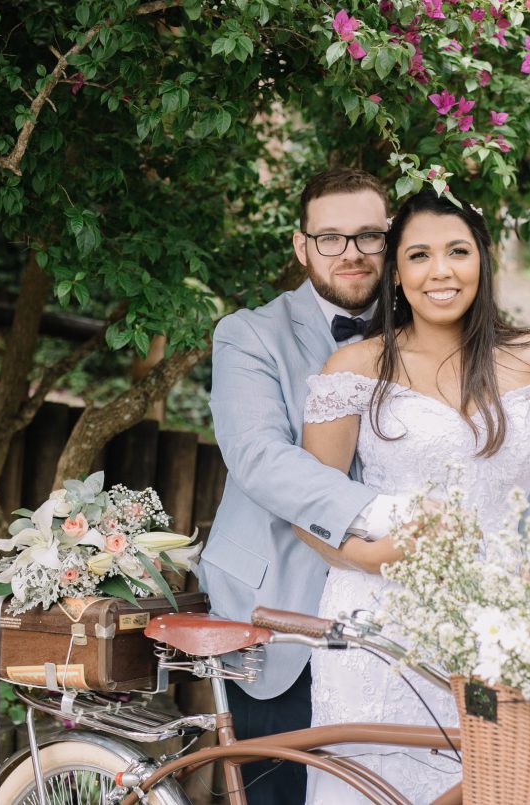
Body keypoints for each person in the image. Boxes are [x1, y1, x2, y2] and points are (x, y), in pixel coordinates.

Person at [298, 188, 530, 804]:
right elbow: (312, 514)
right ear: (397, 274)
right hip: (376, 621)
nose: (441, 271)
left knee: (485, 782)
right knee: (369, 788)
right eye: (420, 255)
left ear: (482, 262)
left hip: (498, 619)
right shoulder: (353, 368)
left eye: (457, 252)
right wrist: (372, 557)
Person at [197, 167, 400, 805]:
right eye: (331, 237)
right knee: (276, 792)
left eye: (368, 236)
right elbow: (259, 458)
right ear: (301, 245)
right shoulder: (249, 333)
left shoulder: (428, 326)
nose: (351, 254)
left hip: (395, 612)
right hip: (276, 611)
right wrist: (384, 513)